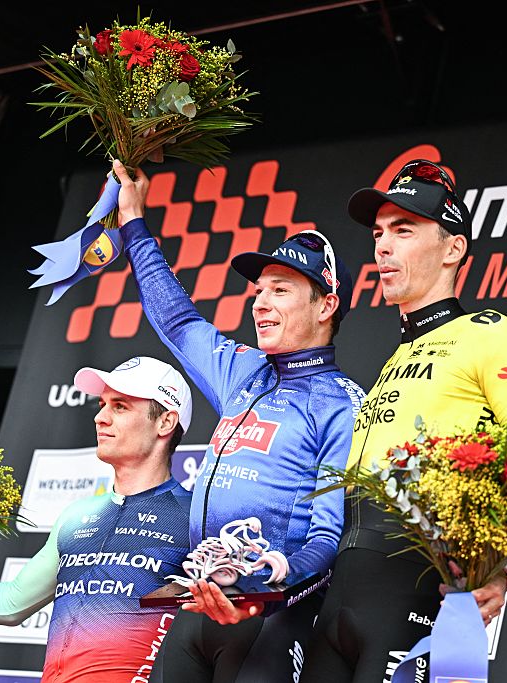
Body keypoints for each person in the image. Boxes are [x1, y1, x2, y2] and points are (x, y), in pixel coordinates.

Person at [302, 159, 507, 682]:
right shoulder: (394, 358)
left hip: (414, 590)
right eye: (378, 233)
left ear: (453, 249)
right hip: (338, 596)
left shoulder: (489, 332)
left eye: (403, 230)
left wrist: (506, 566)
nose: (382, 247)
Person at [111, 159, 365, 683]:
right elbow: (176, 319)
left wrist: (278, 577)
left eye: (280, 289)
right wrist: (133, 220)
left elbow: (330, 536)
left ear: (327, 306)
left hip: (269, 622)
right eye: (259, 290)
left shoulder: (342, 403)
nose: (260, 302)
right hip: (196, 603)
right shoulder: (242, 370)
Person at [0, 357, 194, 683]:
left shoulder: (196, 516)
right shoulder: (78, 515)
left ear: (165, 423)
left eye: (120, 407)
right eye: (102, 405)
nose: (100, 417)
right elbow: (10, 602)